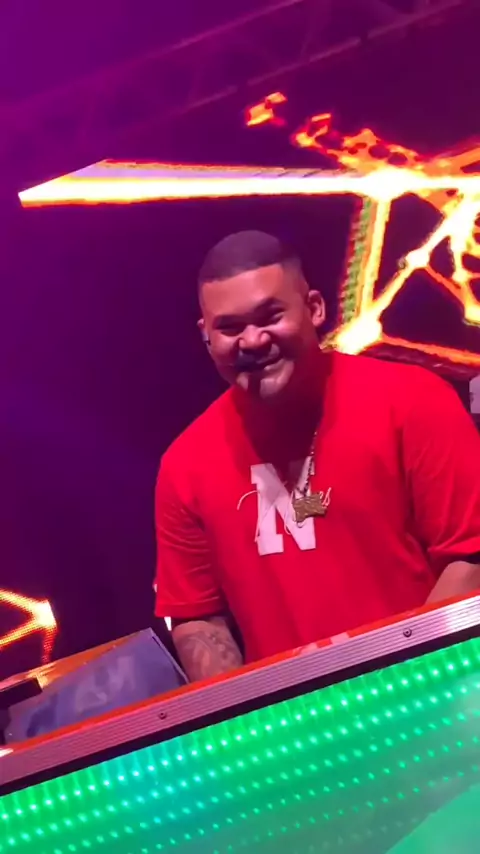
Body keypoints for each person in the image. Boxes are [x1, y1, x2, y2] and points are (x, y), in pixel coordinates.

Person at [154, 230, 480, 682]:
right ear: (206, 335)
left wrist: (405, 688)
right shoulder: (185, 465)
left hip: (435, 696)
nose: (252, 340)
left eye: (270, 316)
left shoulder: (414, 402)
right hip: (297, 721)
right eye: (230, 327)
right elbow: (198, 619)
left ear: (315, 309)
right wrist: (250, 715)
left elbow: (470, 557)